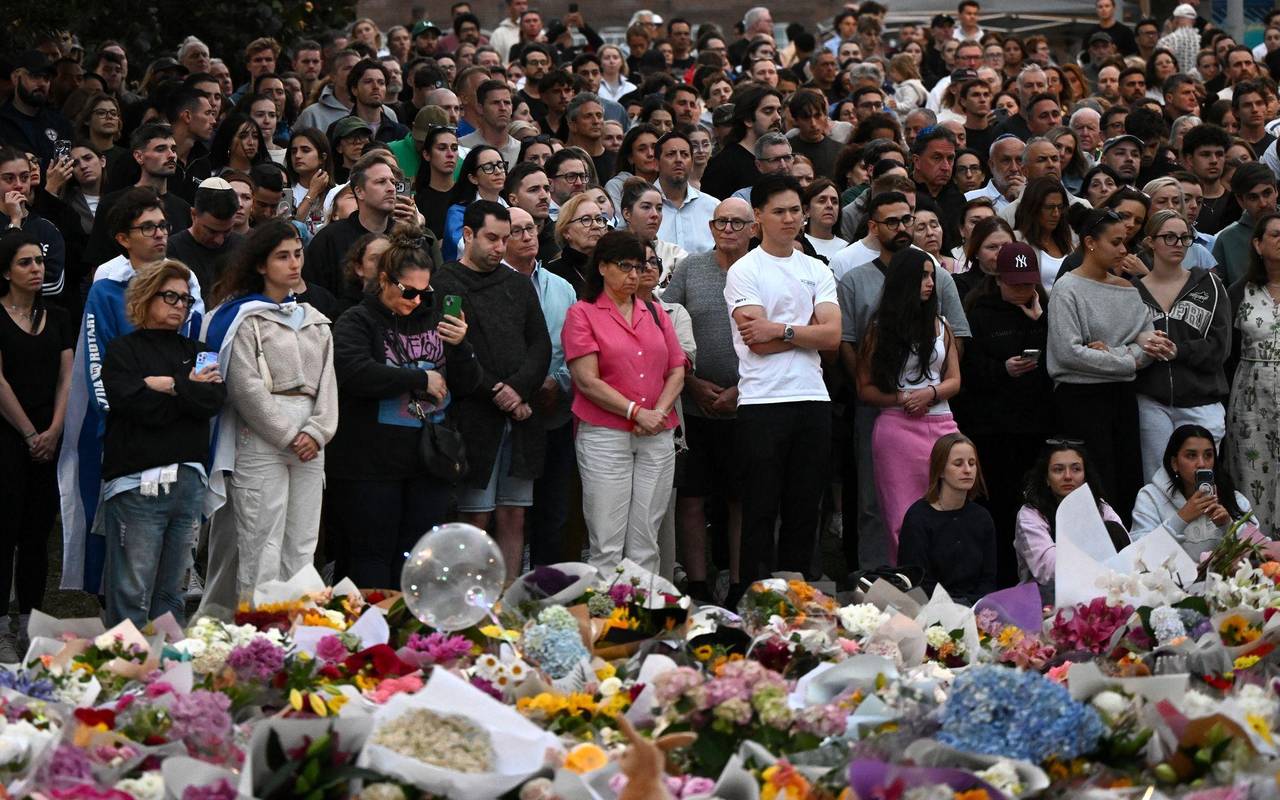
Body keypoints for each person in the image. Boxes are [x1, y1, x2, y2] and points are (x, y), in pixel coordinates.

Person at [58, 187, 206, 597]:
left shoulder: (186, 281)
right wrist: (134, 405)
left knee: (169, 569)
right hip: (123, 430)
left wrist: (174, 391)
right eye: (148, 228)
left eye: (163, 225)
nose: (160, 235)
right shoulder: (108, 288)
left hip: (178, 434)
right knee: (126, 556)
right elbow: (98, 368)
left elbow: (200, 365)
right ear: (124, 238)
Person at [326, 226, 479, 587]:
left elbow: (469, 383)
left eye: (425, 292)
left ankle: (414, 638)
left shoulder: (436, 316)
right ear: (384, 280)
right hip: (371, 465)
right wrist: (418, 380)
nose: (416, 299)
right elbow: (352, 371)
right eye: (408, 290)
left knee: (418, 556)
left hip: (428, 463)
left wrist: (461, 346)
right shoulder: (357, 320)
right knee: (372, 556)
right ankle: (374, 635)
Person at [203, 221, 337, 596]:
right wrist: (289, 435)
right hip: (262, 440)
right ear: (261, 265)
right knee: (261, 543)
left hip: (311, 438)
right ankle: (259, 639)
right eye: (282, 257)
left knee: (301, 544)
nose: (294, 264)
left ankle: (300, 635)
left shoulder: (314, 321)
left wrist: (316, 432)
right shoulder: (242, 318)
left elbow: (328, 383)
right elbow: (244, 385)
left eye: (298, 254)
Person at [726, 174, 841, 592]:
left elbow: (831, 338)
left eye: (796, 210)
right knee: (760, 509)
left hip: (813, 398)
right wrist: (803, 329)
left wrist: (781, 330)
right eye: (779, 211)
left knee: (804, 508)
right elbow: (756, 344)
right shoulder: (744, 270)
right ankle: (754, 601)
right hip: (762, 402)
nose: (790, 218)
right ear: (758, 217)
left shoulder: (816, 268)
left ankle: (797, 599)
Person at [99, 260, 224, 626]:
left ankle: (167, 679)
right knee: (131, 591)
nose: (180, 306)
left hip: (187, 484)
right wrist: (185, 387)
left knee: (173, 593)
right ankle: (125, 673)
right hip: (137, 484)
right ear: (145, 296)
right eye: (170, 296)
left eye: (186, 299)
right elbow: (132, 404)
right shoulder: (122, 350)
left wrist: (163, 385)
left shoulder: (200, 349)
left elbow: (212, 402)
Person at [431, 201, 550, 582]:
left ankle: (509, 597)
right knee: (475, 517)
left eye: (506, 238)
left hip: (521, 413)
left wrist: (518, 390)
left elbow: (540, 345)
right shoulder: (446, 282)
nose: (500, 247)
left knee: (514, 513)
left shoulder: (516, 282)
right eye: (492, 238)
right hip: (474, 417)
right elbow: (452, 350)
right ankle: (469, 599)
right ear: (468, 235)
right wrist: (498, 393)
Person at [562, 230, 686, 574]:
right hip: (605, 435)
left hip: (657, 432)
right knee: (607, 543)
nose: (634, 275)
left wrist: (657, 412)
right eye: (625, 266)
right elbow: (587, 380)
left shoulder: (656, 313)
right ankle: (607, 623)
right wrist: (636, 412)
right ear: (602, 267)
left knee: (646, 541)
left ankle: (641, 620)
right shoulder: (582, 313)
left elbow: (677, 368)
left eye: (639, 267)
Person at [1047, 209, 1173, 523]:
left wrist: (1114, 354)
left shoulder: (1129, 290)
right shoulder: (1067, 289)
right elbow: (1068, 353)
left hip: (1122, 397)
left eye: (1125, 242)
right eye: (1116, 242)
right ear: (1090, 242)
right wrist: (1127, 357)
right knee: (1090, 485)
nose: (1123, 250)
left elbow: (1147, 345)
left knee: (1127, 478)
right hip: (1080, 402)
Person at [662, 197, 752, 601]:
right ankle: (697, 585)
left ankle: (737, 583)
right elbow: (664, 325)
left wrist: (742, 389)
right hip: (695, 403)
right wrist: (692, 381)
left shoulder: (760, 268)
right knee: (693, 497)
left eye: (737, 223)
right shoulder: (691, 268)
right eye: (721, 222)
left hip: (750, 403)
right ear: (711, 227)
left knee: (740, 498)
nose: (728, 229)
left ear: (754, 228)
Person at [952, 241, 1052, 585]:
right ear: (998, 279)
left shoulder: (1044, 308)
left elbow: (1057, 360)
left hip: (1034, 424)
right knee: (997, 506)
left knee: (1033, 505)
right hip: (992, 427)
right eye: (1016, 284)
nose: (1024, 290)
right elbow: (966, 367)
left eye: (1029, 283)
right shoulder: (978, 311)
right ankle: (999, 577)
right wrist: (1002, 369)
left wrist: (1040, 322)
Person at [857, 248, 962, 561]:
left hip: (942, 423)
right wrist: (901, 397)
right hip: (896, 427)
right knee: (900, 517)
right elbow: (865, 389)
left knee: (948, 508)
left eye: (932, 275)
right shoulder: (878, 330)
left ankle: (948, 586)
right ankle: (908, 585)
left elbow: (955, 380)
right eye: (923, 276)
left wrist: (930, 393)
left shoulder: (942, 326)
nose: (930, 283)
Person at [0, 232, 73, 658]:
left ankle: (30, 620)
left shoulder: (59, 316)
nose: (36, 269)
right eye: (25, 263)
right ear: (6, 271)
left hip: (49, 436)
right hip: (9, 436)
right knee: (4, 531)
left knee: (36, 534)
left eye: (39, 262)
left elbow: (67, 376)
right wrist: (29, 433)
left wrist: (54, 429)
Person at [1133, 210, 1231, 480]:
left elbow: (1220, 347)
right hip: (1153, 400)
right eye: (1169, 237)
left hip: (1202, 401)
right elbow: (1121, 339)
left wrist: (1179, 350)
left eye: (1184, 238)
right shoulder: (1132, 290)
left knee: (1201, 481)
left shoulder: (1210, 285)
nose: (1178, 244)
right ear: (1150, 241)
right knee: (1157, 482)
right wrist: (1141, 343)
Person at [1014, 440, 1125, 604]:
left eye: (1076, 469)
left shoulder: (1101, 507)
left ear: (1085, 476)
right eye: (1058, 470)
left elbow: (1125, 551)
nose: (1068, 476)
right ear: (1046, 478)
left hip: (1102, 593)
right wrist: (1097, 549)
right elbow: (1049, 570)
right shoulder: (1031, 513)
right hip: (1046, 600)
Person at [303, 152, 428, 294]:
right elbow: (316, 295)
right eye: (381, 182)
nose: (391, 188)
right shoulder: (329, 239)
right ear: (359, 191)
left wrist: (414, 234)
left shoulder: (407, 237)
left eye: (393, 182)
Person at [1227, 212, 1280, 534]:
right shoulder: (1239, 292)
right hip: (1251, 401)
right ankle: (1256, 555)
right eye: (1275, 234)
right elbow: (1226, 352)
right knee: (1252, 472)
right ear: (1258, 245)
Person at [897, 433, 996, 603]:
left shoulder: (982, 517)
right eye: (958, 464)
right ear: (940, 470)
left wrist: (975, 605)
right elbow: (917, 579)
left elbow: (988, 578)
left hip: (977, 608)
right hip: (930, 608)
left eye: (972, 464)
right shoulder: (918, 517)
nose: (967, 470)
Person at [1132, 425, 1256, 559]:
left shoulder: (1234, 498)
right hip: (1169, 579)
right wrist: (1181, 518)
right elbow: (1138, 555)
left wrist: (1228, 526)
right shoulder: (1150, 498)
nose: (1201, 464)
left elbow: (1260, 550)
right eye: (1191, 455)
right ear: (1174, 463)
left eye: (1208, 455)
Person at [165, 177, 242, 294]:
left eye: (227, 231)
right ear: (193, 214)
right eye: (211, 231)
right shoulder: (171, 250)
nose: (219, 240)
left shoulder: (245, 248)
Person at [442, 145, 507, 262]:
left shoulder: (512, 211)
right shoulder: (458, 212)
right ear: (473, 178)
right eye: (488, 167)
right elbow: (463, 247)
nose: (498, 171)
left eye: (500, 165)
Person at [619, 178, 687, 279]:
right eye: (646, 207)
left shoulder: (674, 254)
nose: (655, 215)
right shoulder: (613, 253)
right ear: (627, 213)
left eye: (659, 208)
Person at [1013, 176, 1073, 289]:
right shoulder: (1017, 241)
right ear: (1033, 208)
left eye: (1059, 207)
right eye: (1049, 207)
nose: (1056, 214)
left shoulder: (1068, 241)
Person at [546, 193, 609, 297]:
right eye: (586, 219)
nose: (596, 226)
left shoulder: (613, 267)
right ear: (566, 232)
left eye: (599, 219)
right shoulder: (552, 275)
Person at [413, 126, 459, 243]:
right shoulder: (417, 202)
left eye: (454, 148)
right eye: (442, 148)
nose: (450, 154)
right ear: (427, 154)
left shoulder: (466, 195)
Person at [803, 178, 849, 261]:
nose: (829, 205)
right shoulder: (797, 245)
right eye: (822, 201)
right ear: (807, 210)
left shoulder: (847, 248)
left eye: (834, 202)